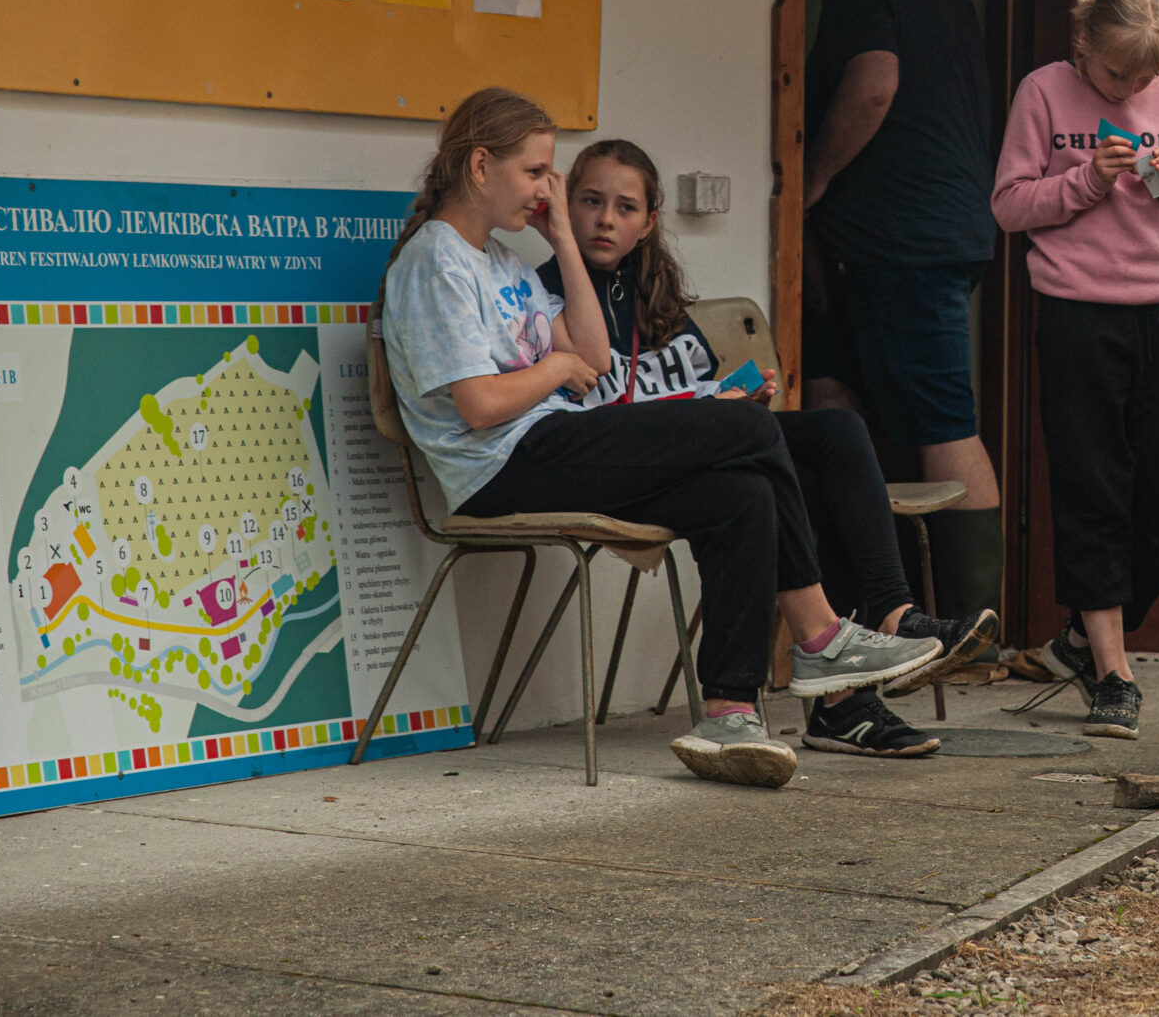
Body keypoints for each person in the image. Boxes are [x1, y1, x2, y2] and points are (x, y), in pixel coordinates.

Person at [375, 87, 944, 788]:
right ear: (481, 166)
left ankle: (730, 713)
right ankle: (820, 635)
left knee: (739, 494)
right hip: (500, 465)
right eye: (536, 173)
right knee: (746, 426)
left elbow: (593, 354)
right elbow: (481, 404)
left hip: (547, 442)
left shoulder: (502, 261)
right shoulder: (437, 261)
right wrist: (554, 369)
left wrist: (561, 241)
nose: (547, 190)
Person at [536, 138, 1001, 759]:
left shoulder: (656, 295)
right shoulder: (546, 291)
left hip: (690, 441)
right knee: (764, 477)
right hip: (615, 459)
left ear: (648, 223)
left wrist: (730, 398)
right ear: (567, 206)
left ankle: (892, 615)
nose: (604, 219)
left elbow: (686, 387)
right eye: (591, 202)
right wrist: (719, 415)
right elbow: (594, 402)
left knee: (835, 436)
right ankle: (840, 690)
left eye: (625, 207)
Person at [991, 0, 1159, 741]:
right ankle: (1114, 674)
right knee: (1092, 487)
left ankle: (1079, 641)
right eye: (1116, 73)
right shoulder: (1043, 92)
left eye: (1144, 75)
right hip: (1078, 313)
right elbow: (1009, 205)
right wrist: (1086, 180)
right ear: (1083, 43)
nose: (1128, 89)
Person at [802, 0, 1004, 626]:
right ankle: (866, 609)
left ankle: (972, 631)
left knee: (943, 423)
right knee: (831, 393)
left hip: (903, 245)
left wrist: (815, 178)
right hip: (925, 236)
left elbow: (874, 84)